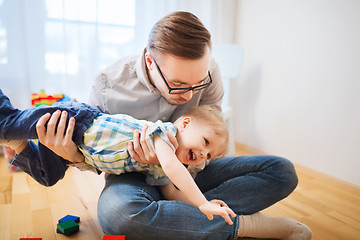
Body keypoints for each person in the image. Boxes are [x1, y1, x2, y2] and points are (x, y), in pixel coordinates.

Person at [5, 11, 312, 240]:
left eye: (198, 83)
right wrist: (71, 154)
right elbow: (97, 155)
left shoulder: (208, 71)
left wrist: (193, 167)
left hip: (189, 174)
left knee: (282, 171)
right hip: (132, 177)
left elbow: (212, 133)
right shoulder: (109, 85)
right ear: (150, 62)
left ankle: (181, 218)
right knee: (117, 215)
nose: (191, 95)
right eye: (179, 84)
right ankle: (242, 224)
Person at [0, 91, 236, 224]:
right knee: (8, 123)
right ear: (185, 123)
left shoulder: (161, 168)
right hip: (77, 121)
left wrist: (203, 203)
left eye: (209, 155)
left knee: (47, 176)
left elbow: (171, 191)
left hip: (77, 149)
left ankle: (13, 143)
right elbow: (175, 169)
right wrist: (202, 201)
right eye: (205, 142)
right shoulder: (165, 134)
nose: (203, 155)